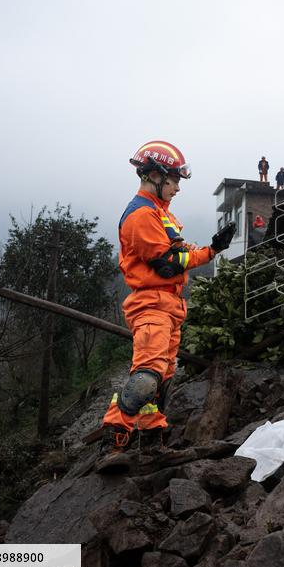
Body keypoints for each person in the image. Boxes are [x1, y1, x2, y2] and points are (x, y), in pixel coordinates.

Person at [97, 140, 235, 472]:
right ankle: (112, 443)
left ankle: (152, 444)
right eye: (173, 180)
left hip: (169, 306)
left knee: (161, 380)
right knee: (146, 378)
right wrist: (202, 254)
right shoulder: (142, 215)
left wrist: (213, 249)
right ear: (156, 175)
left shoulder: (160, 213)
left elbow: (180, 255)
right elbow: (169, 263)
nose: (176, 188)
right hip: (151, 305)